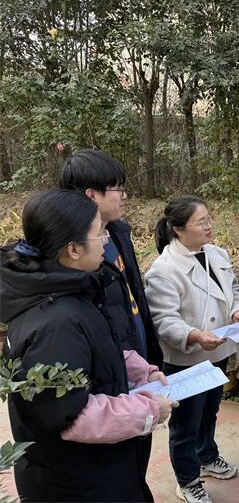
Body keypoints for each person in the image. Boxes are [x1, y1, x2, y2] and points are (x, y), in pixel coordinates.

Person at [0, 189, 176, 502]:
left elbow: (94, 347)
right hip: (77, 483)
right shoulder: (55, 323)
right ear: (73, 249)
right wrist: (147, 411)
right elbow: (72, 416)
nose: (106, 240)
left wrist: (137, 370)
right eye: (99, 233)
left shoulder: (68, 291)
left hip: (101, 469)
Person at [145, 196, 239, 503]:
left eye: (209, 218)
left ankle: (207, 456)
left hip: (218, 351)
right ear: (178, 229)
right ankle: (188, 480)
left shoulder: (216, 253)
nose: (209, 226)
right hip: (186, 358)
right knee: (185, 424)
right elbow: (163, 320)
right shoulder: (164, 269)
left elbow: (233, 289)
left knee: (209, 412)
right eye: (201, 222)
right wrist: (193, 335)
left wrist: (237, 310)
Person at [59, 149, 163, 366]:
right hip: (114, 367)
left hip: (138, 359)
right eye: (118, 189)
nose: (125, 196)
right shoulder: (74, 254)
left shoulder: (118, 233)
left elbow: (134, 294)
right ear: (91, 195)